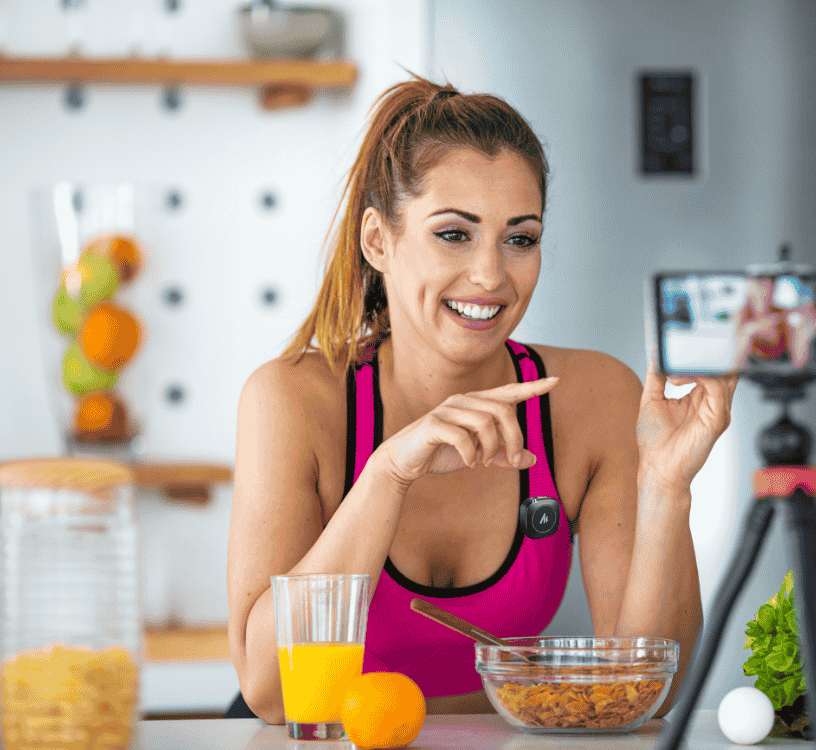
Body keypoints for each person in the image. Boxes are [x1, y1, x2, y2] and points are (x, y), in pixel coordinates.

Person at [225, 75, 737, 724]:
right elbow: (270, 693)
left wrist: (666, 487)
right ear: (378, 241)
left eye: (520, 239)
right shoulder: (295, 399)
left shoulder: (593, 397)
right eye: (453, 234)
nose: (491, 275)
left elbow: (644, 690)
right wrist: (387, 474)